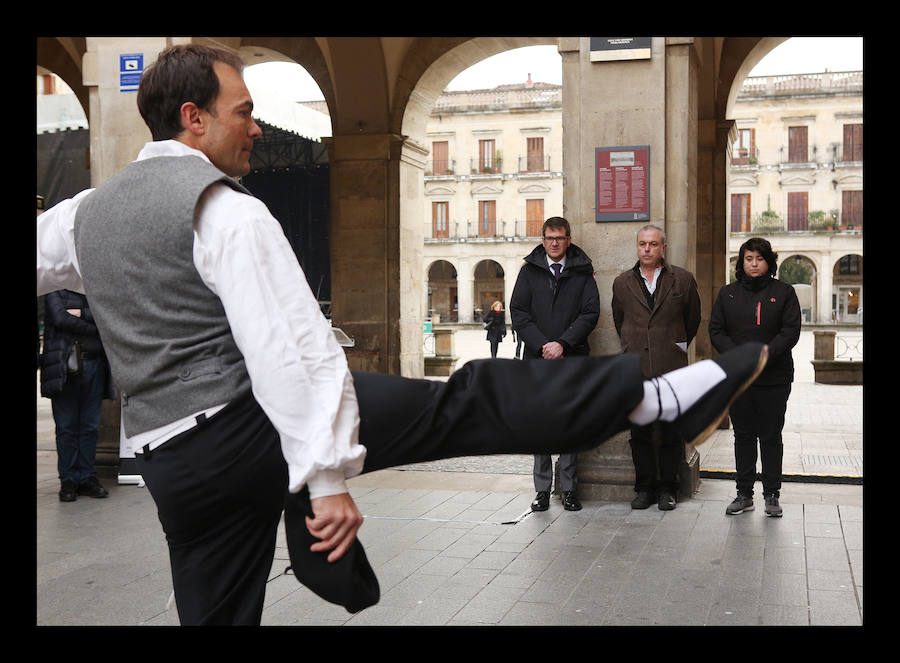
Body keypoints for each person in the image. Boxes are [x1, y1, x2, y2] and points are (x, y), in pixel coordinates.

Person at [36, 44, 768, 625]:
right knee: (461, 402)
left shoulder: (85, 214)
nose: (255, 125)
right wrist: (324, 478)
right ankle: (650, 398)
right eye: (243, 110)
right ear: (193, 118)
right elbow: (289, 351)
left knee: (216, 611)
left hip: (169, 461)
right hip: (238, 431)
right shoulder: (226, 211)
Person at [510, 217, 600, 512]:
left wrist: (563, 343)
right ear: (543, 239)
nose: (555, 243)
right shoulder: (528, 272)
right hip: (538, 360)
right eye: (549, 238)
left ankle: (570, 489)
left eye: (560, 238)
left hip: (571, 357)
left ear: (568, 240)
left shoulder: (583, 273)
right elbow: (519, 312)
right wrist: (542, 345)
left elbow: (590, 313)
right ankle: (542, 490)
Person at [612, 224, 702, 511]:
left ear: (663, 248)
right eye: (642, 244)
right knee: (639, 432)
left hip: (670, 366)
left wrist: (674, 346)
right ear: (637, 247)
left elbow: (693, 320)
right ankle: (644, 487)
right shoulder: (622, 282)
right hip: (635, 367)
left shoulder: (683, 280)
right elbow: (619, 320)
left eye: (653, 244)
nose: (647, 249)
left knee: (669, 431)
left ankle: (667, 488)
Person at [709, 237, 801, 517]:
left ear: (769, 262)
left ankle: (772, 494)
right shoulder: (728, 294)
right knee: (744, 435)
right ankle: (744, 494)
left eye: (759, 259)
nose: (754, 264)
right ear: (741, 262)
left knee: (771, 435)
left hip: (775, 378)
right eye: (748, 259)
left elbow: (790, 331)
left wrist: (762, 355)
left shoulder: (784, 293)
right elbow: (716, 330)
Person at [40, 290, 116, 502]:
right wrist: (95, 325)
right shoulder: (54, 288)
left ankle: (87, 478)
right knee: (66, 428)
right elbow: (60, 318)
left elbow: (108, 316)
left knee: (90, 427)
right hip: (65, 367)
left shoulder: (92, 286)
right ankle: (68, 480)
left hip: (95, 365)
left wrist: (81, 313)